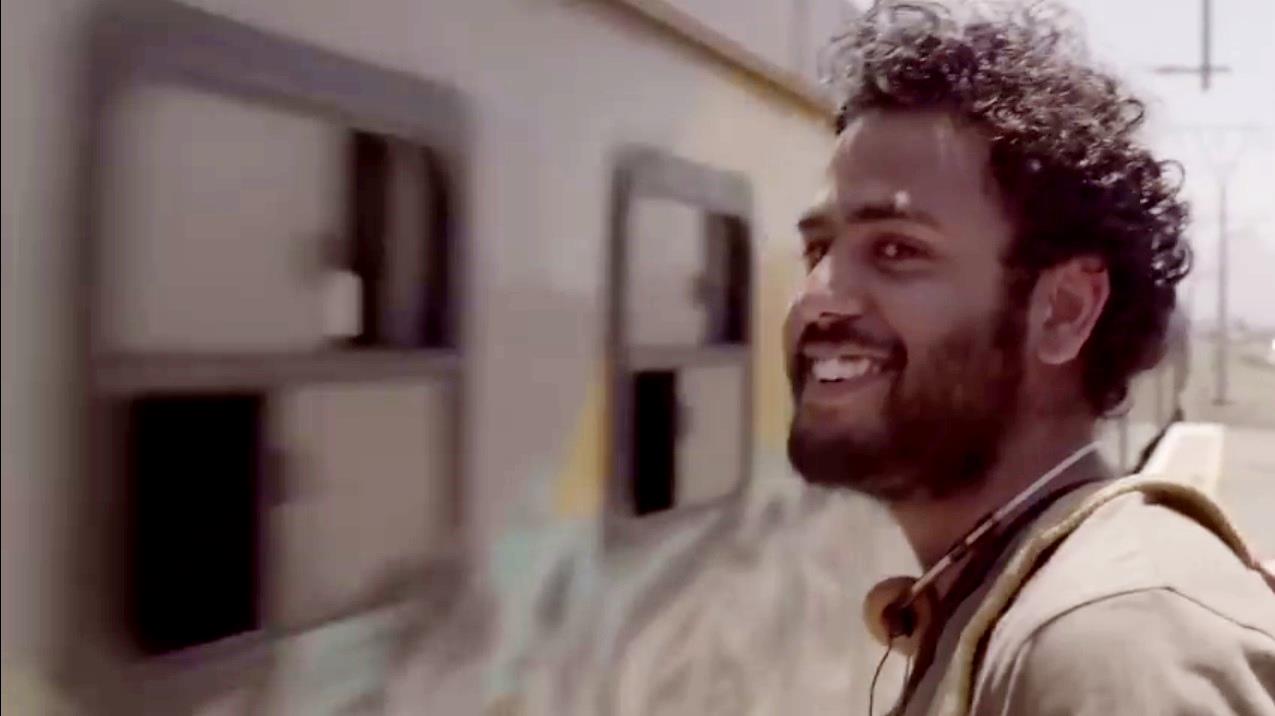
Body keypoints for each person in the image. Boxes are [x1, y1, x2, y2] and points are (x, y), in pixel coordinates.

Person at [785, 2, 1275, 714]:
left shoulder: (1114, 641)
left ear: (1064, 310)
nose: (814, 300)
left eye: (896, 249)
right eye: (817, 250)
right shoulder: (1014, 598)